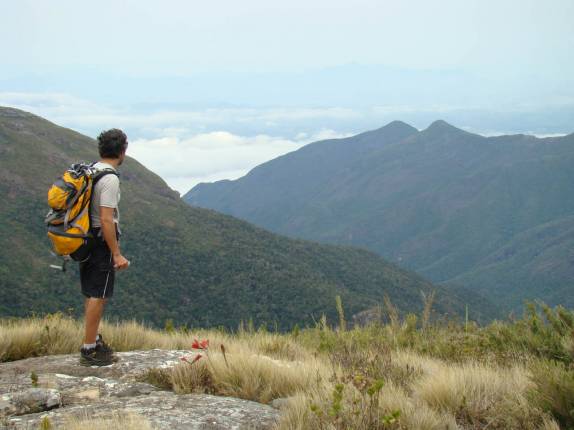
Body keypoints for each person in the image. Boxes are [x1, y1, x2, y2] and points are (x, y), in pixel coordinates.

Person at [79, 129, 130, 366]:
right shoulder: (109, 178)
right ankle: (90, 349)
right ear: (122, 151)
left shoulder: (91, 170)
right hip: (101, 242)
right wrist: (117, 253)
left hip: (85, 239)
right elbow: (107, 218)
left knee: (92, 292)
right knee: (99, 295)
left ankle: (93, 338)